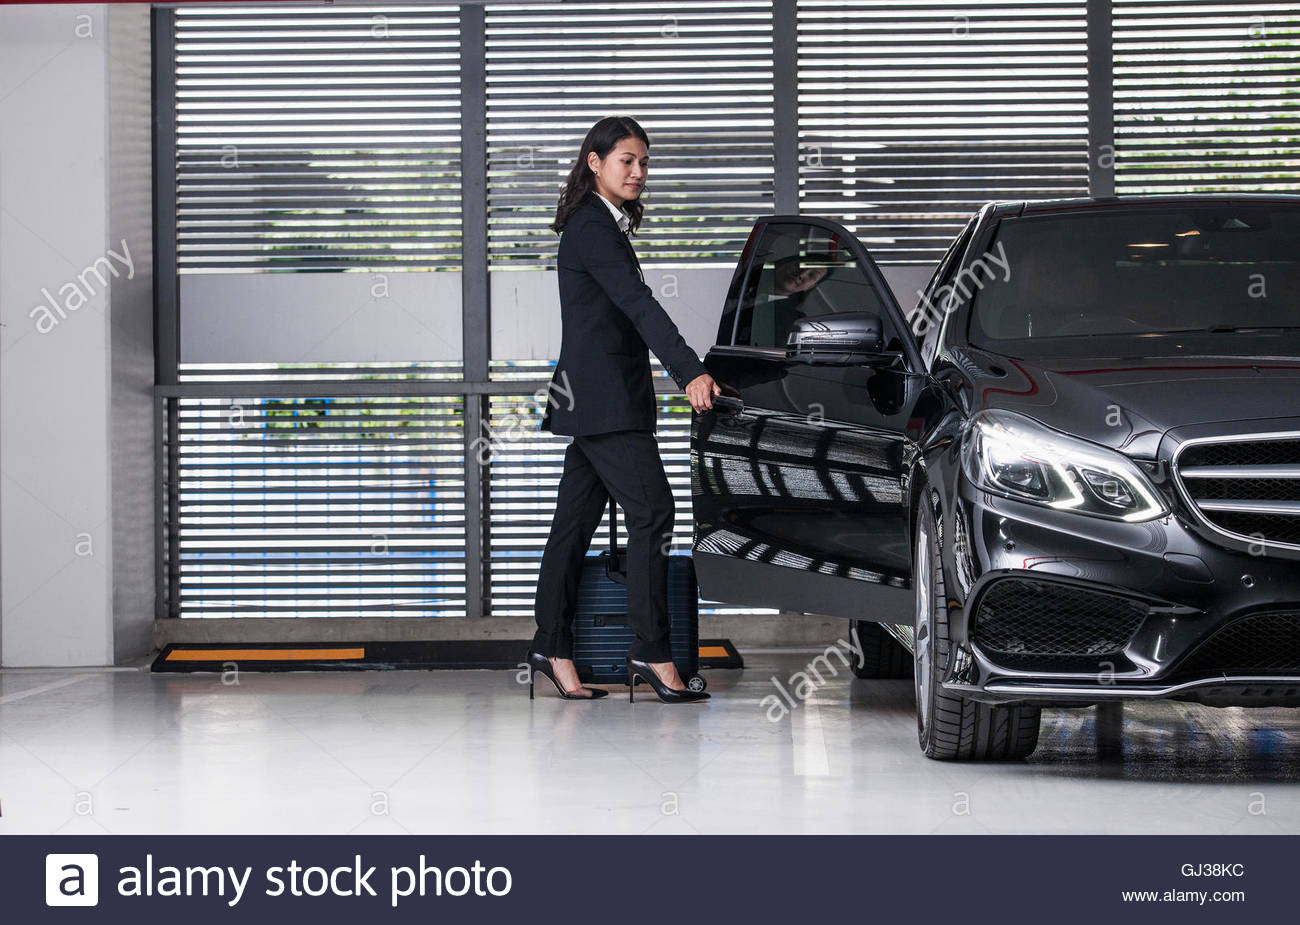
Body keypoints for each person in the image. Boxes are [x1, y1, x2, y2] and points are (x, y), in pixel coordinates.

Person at [526, 116, 721, 704]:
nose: (638, 173)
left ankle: (552, 645)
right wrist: (689, 370)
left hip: (596, 402)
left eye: (643, 163)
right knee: (654, 513)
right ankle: (653, 653)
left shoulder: (601, 228)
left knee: (573, 526)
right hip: (604, 404)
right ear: (595, 163)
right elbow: (639, 306)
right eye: (626, 161)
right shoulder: (592, 228)